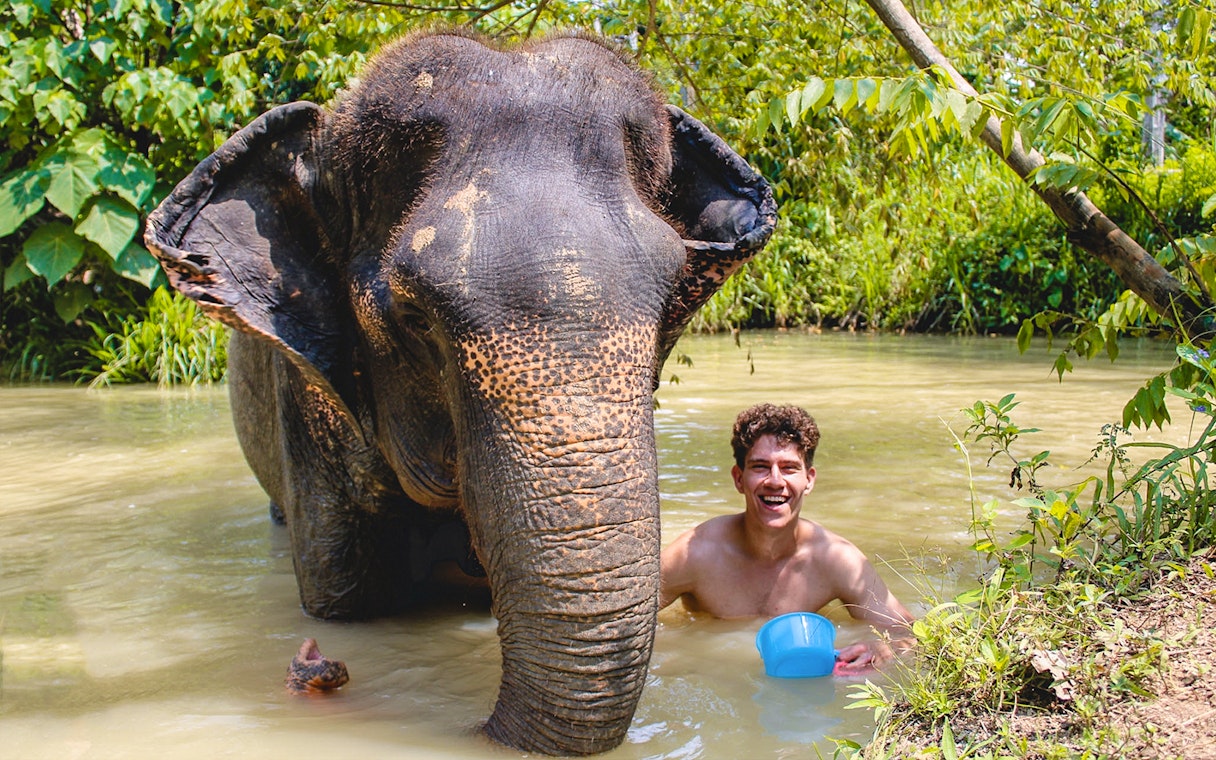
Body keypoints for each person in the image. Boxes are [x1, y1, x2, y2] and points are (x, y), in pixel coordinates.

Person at [659, 403, 914, 674]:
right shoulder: (694, 554)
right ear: (738, 479)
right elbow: (618, 620)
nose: (775, 481)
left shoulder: (835, 559)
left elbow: (915, 636)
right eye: (760, 467)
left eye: (789, 468)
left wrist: (885, 649)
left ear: (809, 480)